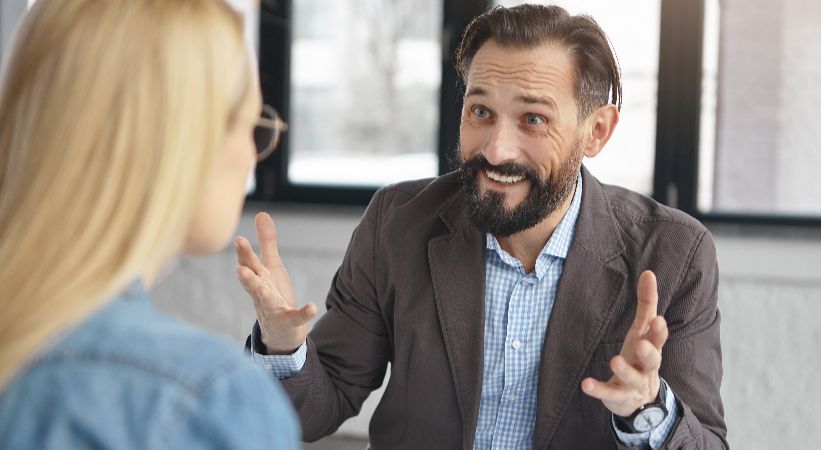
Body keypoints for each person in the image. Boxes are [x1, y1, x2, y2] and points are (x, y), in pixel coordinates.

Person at [237, 4, 726, 449]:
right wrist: (283, 345)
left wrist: (647, 409)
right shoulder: (397, 222)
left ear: (596, 131)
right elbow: (318, 406)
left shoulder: (674, 254)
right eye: (481, 112)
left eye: (533, 119)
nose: (496, 150)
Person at [0, 1, 299, 448]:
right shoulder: (203, 400)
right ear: (185, 140)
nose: (253, 158)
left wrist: (283, 343)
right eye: (253, 128)